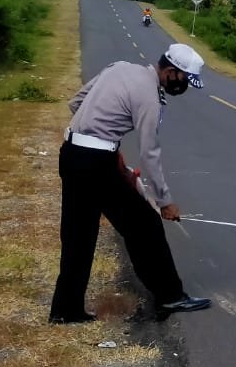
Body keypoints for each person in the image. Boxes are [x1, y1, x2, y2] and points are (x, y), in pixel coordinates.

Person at [49, 45, 211, 324]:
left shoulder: (119, 67)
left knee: (78, 235)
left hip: (72, 153)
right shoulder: (149, 96)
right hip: (95, 164)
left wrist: (105, 143)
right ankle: (170, 295)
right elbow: (150, 153)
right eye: (184, 80)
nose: (183, 87)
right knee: (145, 225)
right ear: (171, 72)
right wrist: (164, 201)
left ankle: (65, 309)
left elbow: (76, 103)